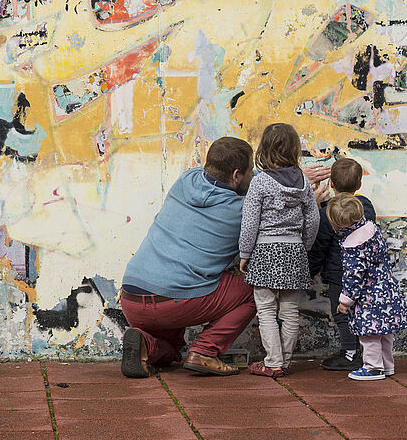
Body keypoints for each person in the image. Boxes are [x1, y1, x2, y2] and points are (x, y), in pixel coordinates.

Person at [118, 135, 330, 378]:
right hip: (176, 301)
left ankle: (144, 343)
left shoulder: (186, 180)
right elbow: (280, 218)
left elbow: (260, 185)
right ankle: (205, 351)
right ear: (236, 175)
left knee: (172, 350)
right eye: (251, 171)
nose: (254, 176)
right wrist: (305, 202)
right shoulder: (243, 213)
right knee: (258, 286)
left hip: (132, 299)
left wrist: (288, 177)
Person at [237, 123, 320, 377]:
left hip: (264, 251)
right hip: (294, 250)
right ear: (295, 149)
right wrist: (303, 246)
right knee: (290, 310)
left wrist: (244, 253)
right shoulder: (303, 182)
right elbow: (313, 219)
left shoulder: (260, 182)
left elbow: (250, 221)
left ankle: (272, 363)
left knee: (266, 310)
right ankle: (283, 361)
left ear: (264, 149)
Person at [330, 193, 407, 380]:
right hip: (387, 290)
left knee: (369, 335)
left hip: (369, 298)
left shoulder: (353, 246)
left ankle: (373, 368)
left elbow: (353, 277)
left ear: (338, 224)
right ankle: (387, 365)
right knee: (385, 333)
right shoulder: (372, 230)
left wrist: (345, 301)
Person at [308, 157, 377, 371]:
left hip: (339, 274)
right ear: (359, 185)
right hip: (365, 273)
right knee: (362, 311)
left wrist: (311, 270)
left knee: (342, 313)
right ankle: (366, 352)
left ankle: (349, 354)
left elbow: (319, 246)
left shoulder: (328, 212)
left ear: (331, 185)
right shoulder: (365, 206)